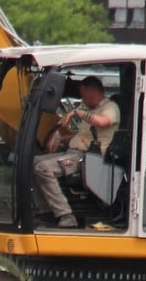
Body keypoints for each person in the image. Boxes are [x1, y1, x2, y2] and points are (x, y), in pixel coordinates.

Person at [32, 76, 119, 229]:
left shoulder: (110, 107)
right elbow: (85, 136)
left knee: (43, 168)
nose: (83, 101)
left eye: (84, 96)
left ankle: (65, 215)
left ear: (92, 91)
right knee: (34, 161)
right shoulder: (93, 111)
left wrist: (77, 112)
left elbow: (102, 122)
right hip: (74, 152)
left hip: (88, 158)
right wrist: (63, 138)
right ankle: (44, 210)